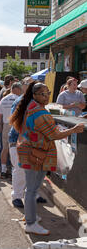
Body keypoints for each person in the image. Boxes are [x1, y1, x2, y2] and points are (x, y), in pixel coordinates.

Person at [10, 82, 84, 235]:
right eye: (43, 93)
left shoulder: (31, 107)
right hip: (36, 155)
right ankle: (30, 223)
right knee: (32, 189)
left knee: (32, 189)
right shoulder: (39, 113)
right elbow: (54, 135)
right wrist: (74, 129)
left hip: (30, 153)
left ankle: (30, 217)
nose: (47, 95)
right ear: (35, 95)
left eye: (48, 92)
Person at [8, 77, 47, 208]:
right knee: (20, 169)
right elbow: (15, 123)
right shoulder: (21, 102)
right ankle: (16, 196)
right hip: (19, 140)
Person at [0, 82, 22, 179]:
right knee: (14, 149)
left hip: (5, 124)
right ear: (18, 89)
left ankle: (3, 170)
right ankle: (12, 171)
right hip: (16, 125)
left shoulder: (3, 99)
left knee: (5, 148)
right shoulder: (19, 99)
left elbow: (0, 116)